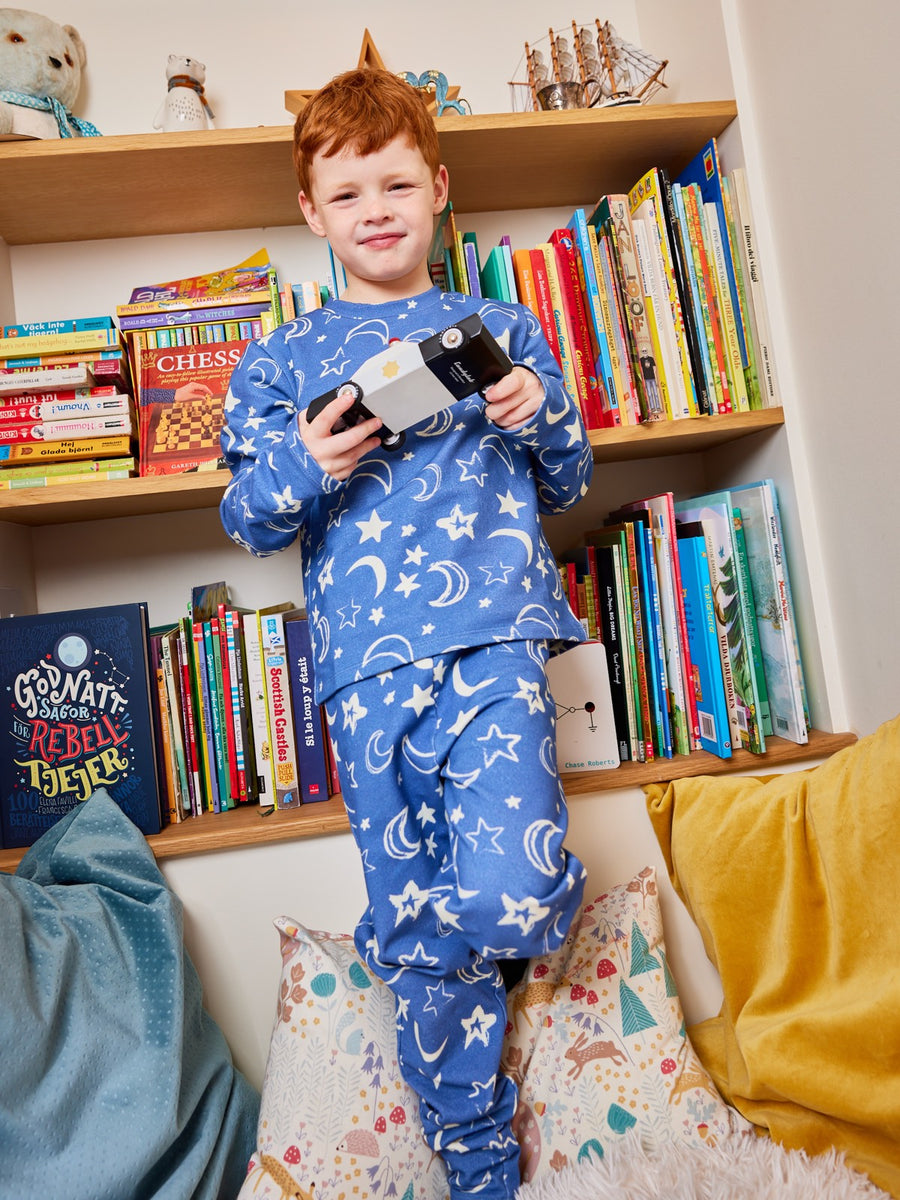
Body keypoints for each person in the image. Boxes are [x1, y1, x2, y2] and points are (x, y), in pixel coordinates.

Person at [220, 66, 592, 1200]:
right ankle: (480, 1166)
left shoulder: (503, 326)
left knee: (508, 899)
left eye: (394, 183)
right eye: (346, 193)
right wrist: (308, 461)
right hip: (363, 669)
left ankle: (422, 937)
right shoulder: (283, 359)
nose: (373, 208)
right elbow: (247, 516)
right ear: (312, 215)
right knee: (424, 936)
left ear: (438, 189)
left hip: (493, 639)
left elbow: (570, 478)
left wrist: (543, 410)